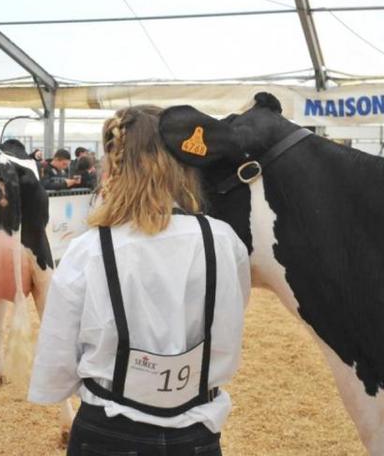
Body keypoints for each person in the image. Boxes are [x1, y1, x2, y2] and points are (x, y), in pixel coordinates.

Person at [28, 106, 251, 456]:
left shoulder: (88, 250)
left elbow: (57, 364)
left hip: (107, 432)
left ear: (114, 166)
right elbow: (229, 323)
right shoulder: (223, 242)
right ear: (180, 163)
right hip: (196, 434)